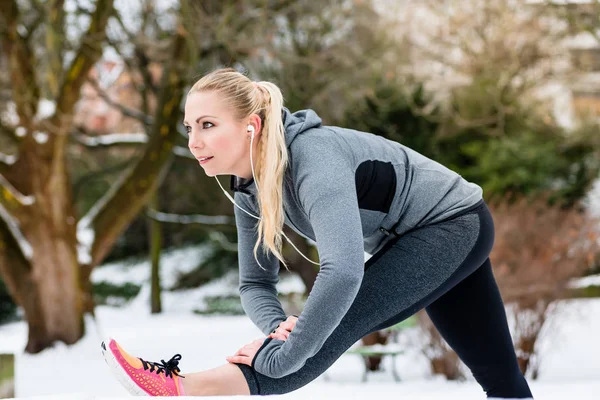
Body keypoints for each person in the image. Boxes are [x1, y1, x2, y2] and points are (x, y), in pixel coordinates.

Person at [101, 68, 534, 399]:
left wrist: (287, 353)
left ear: (250, 126)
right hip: (418, 237)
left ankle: (181, 386)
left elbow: (343, 272)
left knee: (333, 328)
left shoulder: (312, 159)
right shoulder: (249, 186)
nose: (194, 141)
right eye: (189, 127)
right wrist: (279, 330)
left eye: (208, 125)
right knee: (500, 375)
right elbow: (254, 283)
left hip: (453, 226)